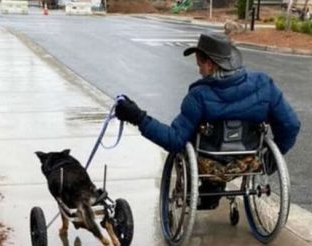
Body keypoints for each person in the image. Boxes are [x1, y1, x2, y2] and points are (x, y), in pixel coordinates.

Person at [114, 32, 301, 209]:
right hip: (250, 160)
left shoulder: (198, 96)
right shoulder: (264, 84)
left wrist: (138, 117)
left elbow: (175, 140)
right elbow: (291, 125)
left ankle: (211, 191)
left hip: (211, 166)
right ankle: (215, 190)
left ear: (210, 65)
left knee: (191, 146)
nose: (198, 70)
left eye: (199, 64)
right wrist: (269, 161)